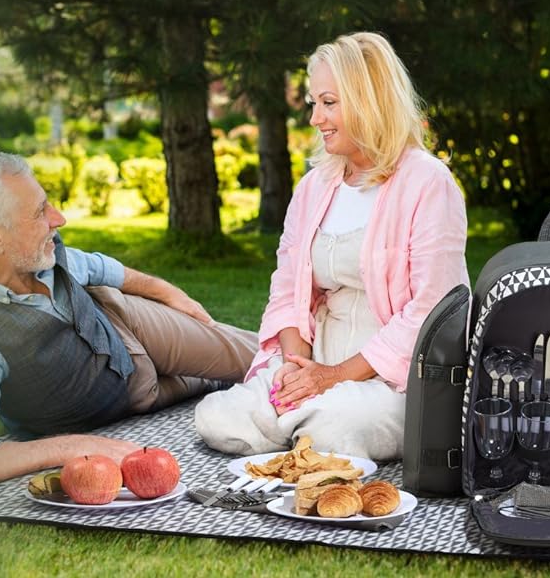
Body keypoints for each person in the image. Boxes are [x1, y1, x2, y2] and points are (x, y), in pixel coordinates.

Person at [194, 32, 470, 461]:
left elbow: (434, 309)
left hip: (392, 376)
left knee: (331, 425)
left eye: (328, 102)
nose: (315, 118)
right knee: (216, 417)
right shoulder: (313, 187)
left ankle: (299, 433)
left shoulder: (428, 182)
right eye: (313, 103)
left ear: (368, 100)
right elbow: (287, 290)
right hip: (316, 354)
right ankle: (298, 428)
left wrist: (335, 377)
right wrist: (294, 369)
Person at [0, 150, 258, 487]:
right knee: (232, 384)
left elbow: (102, 268)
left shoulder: (36, 254)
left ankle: (317, 366)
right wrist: (77, 446)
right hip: (129, 399)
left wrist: (167, 292)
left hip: (127, 326)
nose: (59, 219)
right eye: (39, 212)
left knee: (265, 357)